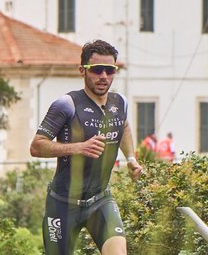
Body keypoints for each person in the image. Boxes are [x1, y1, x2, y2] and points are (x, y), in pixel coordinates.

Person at [30, 39, 142, 255]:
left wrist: (131, 158)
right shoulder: (67, 104)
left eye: (110, 70)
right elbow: (36, 147)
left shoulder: (120, 104)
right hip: (63, 204)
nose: (103, 76)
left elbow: (124, 126)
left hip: (100, 201)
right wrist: (78, 147)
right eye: (97, 69)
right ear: (82, 70)